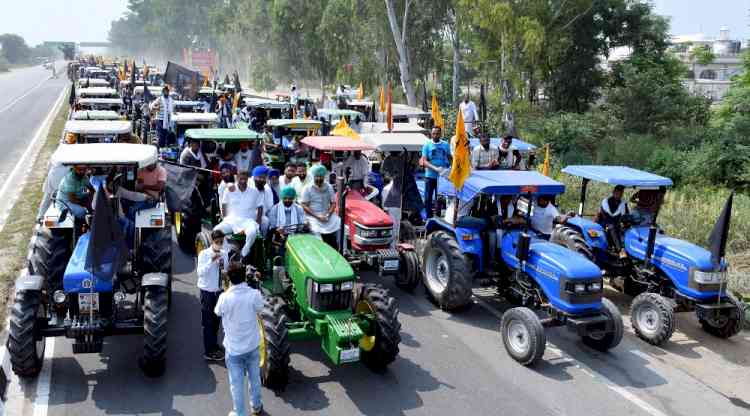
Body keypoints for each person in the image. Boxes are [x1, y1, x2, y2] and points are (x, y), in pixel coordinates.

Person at [214, 264, 265, 416]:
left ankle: (240, 413)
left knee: (236, 385)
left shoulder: (225, 298)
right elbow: (260, 308)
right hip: (252, 347)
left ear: (229, 278)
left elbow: (217, 312)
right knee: (255, 379)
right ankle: (256, 406)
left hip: (234, 351)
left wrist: (226, 290)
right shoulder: (254, 294)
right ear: (244, 276)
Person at [196, 229, 229, 362]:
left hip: (218, 291)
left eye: (221, 242)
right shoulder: (204, 254)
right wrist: (211, 261)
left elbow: (225, 270)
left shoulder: (224, 253)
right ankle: (209, 351)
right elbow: (200, 273)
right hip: (207, 292)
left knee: (216, 322)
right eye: (217, 242)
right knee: (208, 322)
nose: (219, 244)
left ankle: (214, 346)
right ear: (212, 241)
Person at [214, 171, 260, 262]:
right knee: (216, 231)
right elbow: (224, 205)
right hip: (231, 221)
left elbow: (260, 207)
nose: (243, 180)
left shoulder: (254, 191)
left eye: (245, 178)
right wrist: (225, 218)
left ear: (248, 179)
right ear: (237, 178)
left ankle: (244, 253)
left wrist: (258, 222)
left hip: (248, 221)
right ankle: (224, 251)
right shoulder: (230, 189)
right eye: (240, 178)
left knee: (252, 233)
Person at [301, 165, 340, 249]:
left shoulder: (329, 187)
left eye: (321, 177)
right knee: (315, 231)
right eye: (317, 177)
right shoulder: (307, 188)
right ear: (314, 177)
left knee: (339, 223)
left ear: (324, 177)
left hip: (327, 215)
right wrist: (317, 216)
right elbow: (304, 205)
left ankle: (342, 249)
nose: (319, 179)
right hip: (313, 216)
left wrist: (328, 214)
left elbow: (333, 203)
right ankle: (321, 251)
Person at [420, 127, 451, 218]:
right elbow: (424, 161)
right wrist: (435, 168)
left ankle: (438, 216)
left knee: (440, 197)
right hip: (430, 176)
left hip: (442, 176)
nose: (435, 135)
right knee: (427, 198)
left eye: (437, 133)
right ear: (431, 134)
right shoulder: (427, 145)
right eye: (433, 133)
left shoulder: (445, 144)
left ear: (440, 134)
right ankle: (428, 216)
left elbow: (450, 158)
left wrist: (451, 168)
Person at [268, 186, 307, 255]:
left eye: (290, 198)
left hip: (295, 235)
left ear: (293, 198)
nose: (287, 200)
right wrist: (278, 230)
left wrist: (304, 225)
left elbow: (302, 222)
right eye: (285, 198)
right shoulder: (275, 208)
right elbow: (272, 224)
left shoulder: (298, 208)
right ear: (282, 198)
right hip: (279, 235)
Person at [247, 166, 275, 239]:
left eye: (264, 178)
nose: (262, 180)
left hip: (261, 216)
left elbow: (270, 207)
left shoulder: (267, 189)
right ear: (254, 177)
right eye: (259, 177)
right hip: (246, 216)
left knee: (266, 221)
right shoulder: (246, 185)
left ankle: (263, 241)